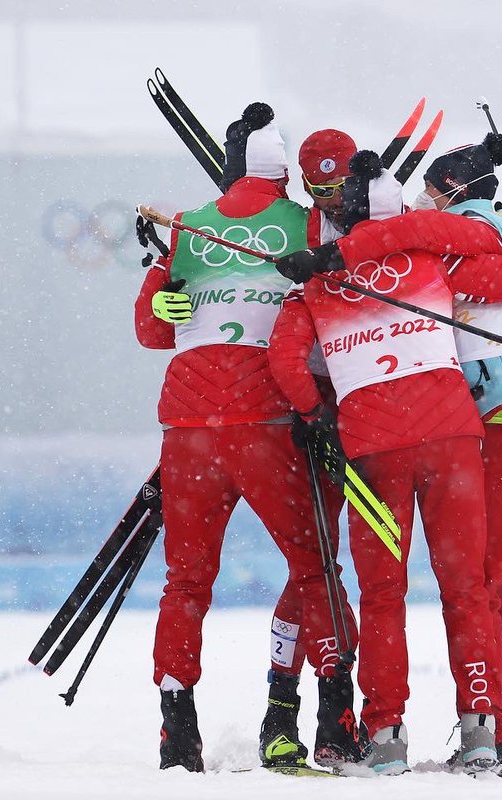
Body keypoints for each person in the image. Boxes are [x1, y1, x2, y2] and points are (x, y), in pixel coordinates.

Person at [279, 134, 502, 776]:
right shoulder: (437, 259)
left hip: (370, 451)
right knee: (467, 589)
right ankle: (482, 734)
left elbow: (283, 360)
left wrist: (314, 416)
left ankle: (385, 735)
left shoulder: (317, 283)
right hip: (453, 442)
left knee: (382, 595)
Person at [134, 102, 358, 773]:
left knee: (186, 582)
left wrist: (161, 299)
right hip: (271, 417)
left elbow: (152, 327)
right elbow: (346, 291)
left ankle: (178, 730)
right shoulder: (309, 223)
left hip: (189, 426)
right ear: (286, 172)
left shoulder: (190, 224)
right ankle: (332, 715)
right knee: (315, 566)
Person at [258, 127, 363, 768]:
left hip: (365, 404)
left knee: (318, 568)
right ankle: (303, 713)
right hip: (306, 410)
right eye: (316, 188)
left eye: (338, 186)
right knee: (315, 566)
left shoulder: (384, 222)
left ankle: (298, 711)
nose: (328, 199)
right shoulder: (297, 226)